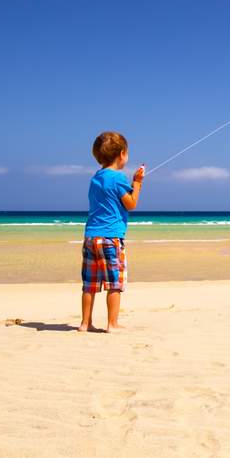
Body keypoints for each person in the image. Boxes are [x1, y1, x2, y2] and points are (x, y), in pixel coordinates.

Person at [79, 131, 145, 332]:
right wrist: (138, 182)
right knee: (114, 283)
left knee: (89, 283)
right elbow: (131, 204)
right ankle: (112, 324)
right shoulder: (118, 178)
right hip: (111, 237)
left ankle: (85, 323)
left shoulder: (95, 178)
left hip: (91, 237)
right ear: (122, 154)